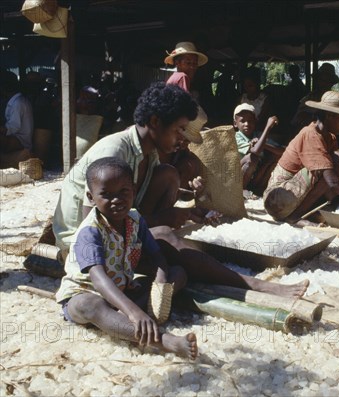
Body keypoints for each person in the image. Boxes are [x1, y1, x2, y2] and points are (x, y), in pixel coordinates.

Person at [53, 82, 308, 298]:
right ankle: (252, 284)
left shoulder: (150, 155)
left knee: (167, 179)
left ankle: (209, 271)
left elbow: (130, 212)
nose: (182, 139)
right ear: (155, 122)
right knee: (166, 237)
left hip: (116, 233)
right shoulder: (115, 152)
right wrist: (162, 221)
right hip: (87, 250)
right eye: (178, 130)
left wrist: (183, 214)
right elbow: (94, 226)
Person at [55, 157, 197, 359]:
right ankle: (165, 341)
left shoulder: (135, 220)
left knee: (177, 273)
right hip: (87, 292)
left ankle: (130, 314)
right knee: (89, 305)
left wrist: (161, 281)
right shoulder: (90, 232)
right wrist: (133, 312)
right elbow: (99, 279)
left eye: (124, 192)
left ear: (134, 190)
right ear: (91, 196)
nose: (117, 200)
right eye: (106, 194)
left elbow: (156, 254)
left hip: (122, 289)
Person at [263, 91, 339, 223]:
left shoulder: (329, 137)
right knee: (336, 163)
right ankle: (295, 216)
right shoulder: (311, 134)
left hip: (291, 196)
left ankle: (302, 212)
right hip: (277, 200)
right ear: (329, 116)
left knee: (337, 163)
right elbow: (333, 183)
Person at [164, 41, 208, 189]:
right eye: (188, 62)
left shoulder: (174, 78)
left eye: (194, 63)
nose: (192, 67)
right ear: (177, 62)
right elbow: (185, 110)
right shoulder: (182, 77)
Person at [234, 103, 284, 195]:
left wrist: (264, 144)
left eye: (250, 121)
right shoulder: (235, 137)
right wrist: (268, 127)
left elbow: (283, 152)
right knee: (251, 158)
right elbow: (255, 151)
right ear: (235, 124)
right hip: (237, 179)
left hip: (255, 178)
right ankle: (240, 190)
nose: (247, 124)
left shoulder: (258, 135)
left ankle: (257, 189)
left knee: (275, 157)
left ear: (255, 122)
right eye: (242, 121)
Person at [290, 63, 339, 133]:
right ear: (318, 81)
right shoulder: (308, 98)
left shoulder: (335, 100)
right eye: (322, 80)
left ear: (331, 83)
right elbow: (296, 121)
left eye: (327, 81)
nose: (324, 84)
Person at [0, 70, 34, 156]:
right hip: (16, 139)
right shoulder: (16, 101)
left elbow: (13, 128)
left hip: (21, 142)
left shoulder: (18, 103)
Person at [239, 67, 273, 131]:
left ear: (257, 84)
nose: (247, 89)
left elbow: (262, 121)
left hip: (259, 132)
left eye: (250, 86)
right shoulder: (242, 98)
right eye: (245, 86)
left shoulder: (265, 99)